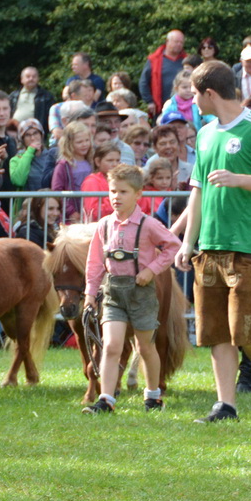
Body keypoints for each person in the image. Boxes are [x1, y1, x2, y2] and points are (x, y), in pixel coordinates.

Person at [175, 61, 251, 422]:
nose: (193, 102)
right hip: (210, 245)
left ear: (209, 93)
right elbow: (197, 191)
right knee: (216, 331)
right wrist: (187, 243)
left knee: (245, 329)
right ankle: (225, 405)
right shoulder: (205, 134)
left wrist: (239, 178)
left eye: (195, 94)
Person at [78, 164, 180, 413]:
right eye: (113, 191)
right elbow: (94, 263)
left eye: (123, 192)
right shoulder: (104, 225)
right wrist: (90, 292)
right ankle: (106, 399)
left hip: (141, 293)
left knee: (145, 347)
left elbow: (173, 246)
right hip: (113, 292)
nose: (116, 197)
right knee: (111, 346)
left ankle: (153, 396)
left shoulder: (148, 224)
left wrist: (151, 270)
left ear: (138, 194)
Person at [139, 30, 186, 115]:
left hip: (184, 107)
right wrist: (149, 101)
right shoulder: (154, 60)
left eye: (181, 42)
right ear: (167, 41)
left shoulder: (186, 60)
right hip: (160, 107)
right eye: (176, 42)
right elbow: (143, 82)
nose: (179, 44)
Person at [48, 120, 96, 196]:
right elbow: (57, 189)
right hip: (72, 203)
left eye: (87, 140)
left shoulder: (91, 161)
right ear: (69, 144)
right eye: (79, 142)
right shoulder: (63, 165)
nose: (84, 144)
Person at [7, 119, 55, 190]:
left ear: (41, 135)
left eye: (35, 133)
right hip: (27, 197)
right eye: (27, 135)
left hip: (50, 197)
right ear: (22, 139)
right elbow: (18, 181)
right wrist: (30, 151)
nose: (32, 138)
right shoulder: (16, 159)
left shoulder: (52, 157)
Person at [80, 144, 123, 221]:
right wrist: (115, 199)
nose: (115, 164)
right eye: (110, 160)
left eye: (117, 160)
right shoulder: (91, 181)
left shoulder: (121, 180)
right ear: (97, 162)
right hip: (97, 225)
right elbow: (93, 213)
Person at [10, 66, 54, 131]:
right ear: (22, 80)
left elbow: (50, 117)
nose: (31, 79)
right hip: (13, 130)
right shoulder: (13, 95)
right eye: (28, 77)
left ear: (38, 79)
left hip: (35, 131)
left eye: (34, 76)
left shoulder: (46, 96)